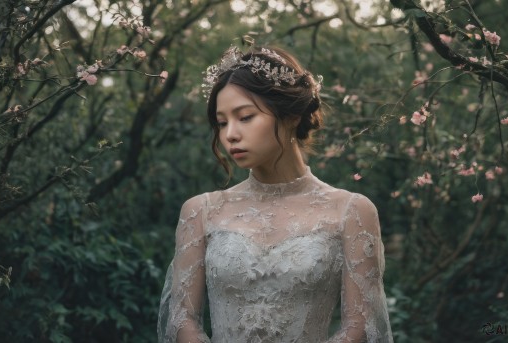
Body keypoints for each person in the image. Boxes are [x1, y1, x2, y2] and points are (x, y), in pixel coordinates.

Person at [158, 44, 393, 343]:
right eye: (221, 122)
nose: (230, 134)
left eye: (245, 117)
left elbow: (360, 327)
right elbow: (182, 320)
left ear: (291, 116)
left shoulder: (352, 211)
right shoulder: (200, 211)